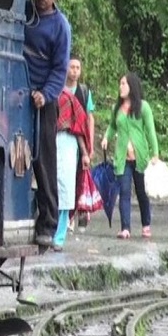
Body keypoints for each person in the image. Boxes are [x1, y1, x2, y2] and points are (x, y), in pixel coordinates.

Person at [24, 0, 72, 248]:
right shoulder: (25, 13)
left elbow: (60, 68)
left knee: (44, 160)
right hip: (18, 91)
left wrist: (45, 94)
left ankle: (49, 223)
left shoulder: (60, 26)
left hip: (44, 98)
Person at [100, 72, 159, 240]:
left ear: (132, 86)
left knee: (142, 193)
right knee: (124, 193)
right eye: (120, 83)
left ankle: (146, 225)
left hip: (140, 158)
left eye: (124, 83)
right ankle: (125, 228)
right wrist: (106, 137)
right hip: (122, 158)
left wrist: (155, 153)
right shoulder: (116, 108)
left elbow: (150, 130)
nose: (121, 87)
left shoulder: (144, 107)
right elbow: (112, 126)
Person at [53, 87, 91, 250]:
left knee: (66, 191)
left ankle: (59, 237)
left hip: (68, 145)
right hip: (50, 140)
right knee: (50, 188)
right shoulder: (49, 95)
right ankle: (49, 231)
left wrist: (84, 154)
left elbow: (79, 127)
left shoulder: (69, 98)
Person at [65, 55, 96, 231]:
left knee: (79, 178)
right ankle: (67, 217)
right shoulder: (60, 89)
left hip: (81, 142)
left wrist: (89, 145)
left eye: (78, 68)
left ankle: (77, 214)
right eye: (72, 67)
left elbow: (89, 118)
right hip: (65, 141)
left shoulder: (84, 92)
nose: (75, 71)